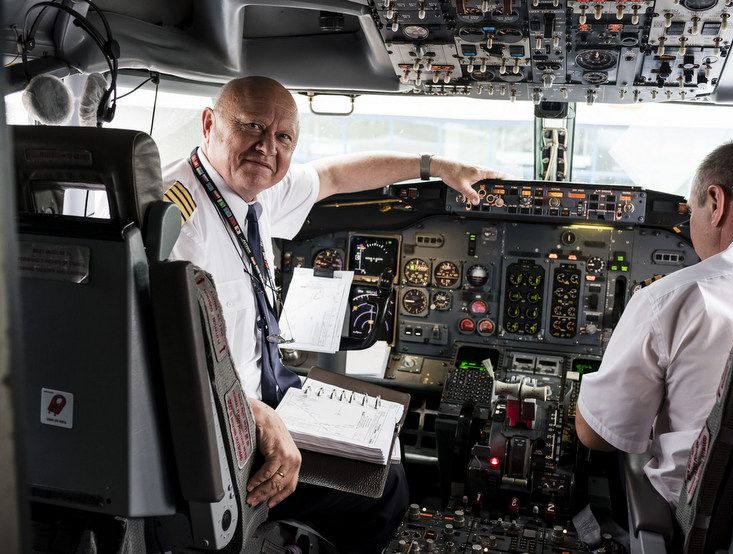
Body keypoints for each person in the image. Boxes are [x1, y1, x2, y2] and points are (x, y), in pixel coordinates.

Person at [162, 75, 510, 552]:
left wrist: (436, 166)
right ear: (209, 123)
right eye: (252, 127)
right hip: (223, 432)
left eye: (283, 137)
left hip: (262, 399)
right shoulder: (177, 219)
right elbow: (160, 362)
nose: (267, 147)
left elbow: (334, 176)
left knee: (385, 435)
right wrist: (257, 415)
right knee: (384, 487)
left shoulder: (251, 191)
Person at [575, 139, 733, 507]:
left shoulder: (673, 296)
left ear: (716, 203)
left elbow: (597, 435)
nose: (689, 223)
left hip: (694, 516)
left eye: (690, 210)